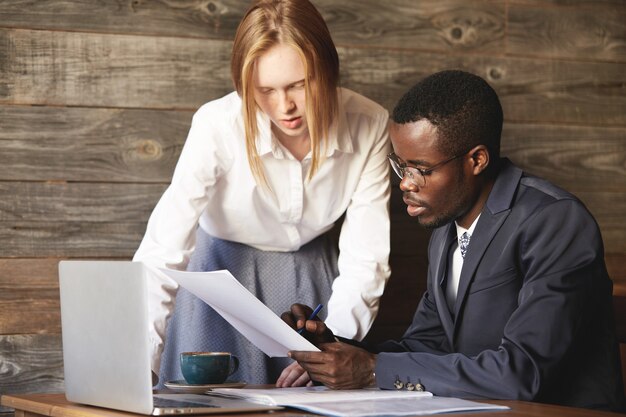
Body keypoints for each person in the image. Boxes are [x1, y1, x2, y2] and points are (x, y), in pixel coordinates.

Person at [280, 70, 625, 412]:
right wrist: (335, 352)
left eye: (421, 169)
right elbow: (427, 345)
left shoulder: (554, 221)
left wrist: (371, 369)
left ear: (476, 160)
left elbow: (523, 374)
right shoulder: (446, 229)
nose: (406, 183)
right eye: (401, 166)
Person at [132, 0, 391, 386]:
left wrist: (333, 342)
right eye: (264, 90)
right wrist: (135, 363)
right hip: (220, 279)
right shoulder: (217, 124)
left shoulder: (370, 124)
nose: (284, 105)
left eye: (298, 85)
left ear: (327, 69)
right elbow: (162, 251)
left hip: (313, 284)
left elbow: (366, 259)